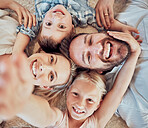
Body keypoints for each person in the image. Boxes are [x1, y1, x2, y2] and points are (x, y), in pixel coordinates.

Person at [0, 31, 141, 127]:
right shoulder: (61, 120)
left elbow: (117, 92)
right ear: (67, 93)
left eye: (90, 100)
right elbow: (46, 114)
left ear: (99, 104)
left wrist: (135, 53)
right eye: (75, 94)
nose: (80, 103)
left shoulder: (96, 122)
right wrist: (20, 100)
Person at [61, 0, 148, 127]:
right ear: (97, 70)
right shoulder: (128, 100)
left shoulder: (127, 18)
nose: (99, 48)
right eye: (89, 57)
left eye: (90, 40)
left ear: (100, 32)